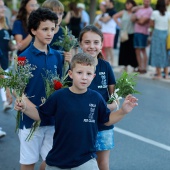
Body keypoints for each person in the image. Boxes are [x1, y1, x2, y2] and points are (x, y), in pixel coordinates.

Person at [14, 52, 138, 170]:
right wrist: (25, 107)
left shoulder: (96, 98)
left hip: (85, 159)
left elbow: (107, 120)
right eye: (79, 72)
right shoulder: (59, 96)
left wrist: (123, 110)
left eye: (89, 74)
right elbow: (40, 114)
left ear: (93, 76)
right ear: (71, 73)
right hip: (58, 159)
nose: (84, 77)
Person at [16, 7, 64, 170]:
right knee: (28, 163)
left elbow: (61, 86)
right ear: (33, 30)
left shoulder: (58, 56)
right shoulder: (22, 58)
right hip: (30, 121)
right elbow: (19, 89)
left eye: (52, 29)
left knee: (53, 161)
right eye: (45, 29)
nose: (50, 33)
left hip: (52, 121)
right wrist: (32, 110)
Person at [78, 25, 116, 170]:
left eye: (96, 42)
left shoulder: (106, 66)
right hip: (81, 125)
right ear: (81, 44)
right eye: (87, 42)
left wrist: (111, 106)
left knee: (103, 164)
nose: (91, 46)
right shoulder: (73, 67)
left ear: (101, 45)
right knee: (82, 163)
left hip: (103, 125)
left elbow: (115, 97)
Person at [113, 0, 138, 72]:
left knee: (132, 50)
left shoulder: (135, 13)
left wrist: (135, 9)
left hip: (132, 33)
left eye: (129, 4)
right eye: (126, 4)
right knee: (124, 50)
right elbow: (114, 16)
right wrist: (119, 24)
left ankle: (134, 66)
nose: (127, 5)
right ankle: (125, 66)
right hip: (124, 33)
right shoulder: (123, 12)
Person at [0, 0, 15, 111]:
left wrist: (13, 47)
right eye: (1, 7)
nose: (4, 9)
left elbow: (8, 41)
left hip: (5, 59)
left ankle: (6, 100)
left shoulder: (5, 22)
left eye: (3, 6)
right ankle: (6, 100)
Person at [149, 0, 170, 79]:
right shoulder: (168, 14)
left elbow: (151, 24)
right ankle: (166, 74)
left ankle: (159, 74)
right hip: (165, 34)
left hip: (157, 33)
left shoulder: (154, 13)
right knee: (164, 54)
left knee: (157, 53)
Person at [131, 0, 152, 74]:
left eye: (148, 1)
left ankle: (144, 67)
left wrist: (138, 19)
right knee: (137, 50)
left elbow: (142, 22)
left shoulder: (149, 10)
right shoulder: (140, 9)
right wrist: (138, 19)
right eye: (145, 1)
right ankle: (140, 67)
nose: (146, 2)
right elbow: (132, 19)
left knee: (143, 49)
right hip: (136, 31)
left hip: (143, 32)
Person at [99, 0, 117, 66]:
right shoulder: (106, 11)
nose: (106, 3)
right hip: (104, 31)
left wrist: (102, 18)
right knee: (105, 48)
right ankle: (107, 61)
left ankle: (112, 62)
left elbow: (105, 20)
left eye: (107, 2)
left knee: (109, 48)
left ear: (111, 3)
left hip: (110, 32)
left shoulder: (113, 11)